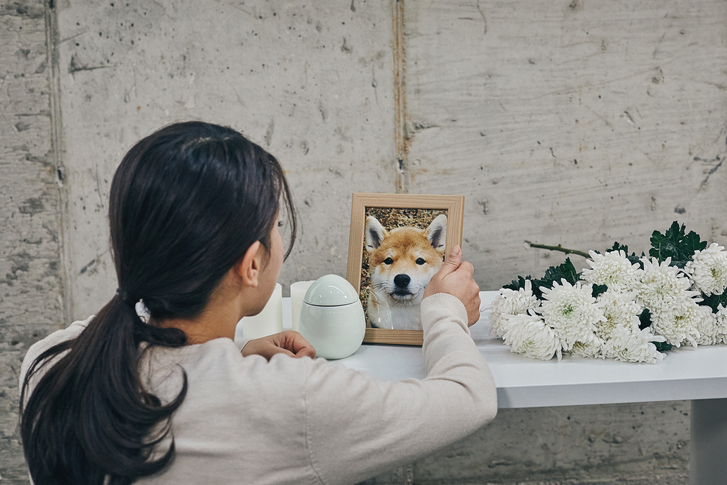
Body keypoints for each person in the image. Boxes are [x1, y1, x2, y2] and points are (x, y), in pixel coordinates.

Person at [19, 121, 497, 485]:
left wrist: (239, 354)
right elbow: (468, 401)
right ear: (251, 265)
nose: (279, 239)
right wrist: (444, 309)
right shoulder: (292, 397)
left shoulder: (50, 362)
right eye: (276, 227)